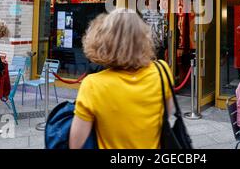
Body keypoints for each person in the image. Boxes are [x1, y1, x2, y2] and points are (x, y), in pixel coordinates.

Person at [69, 8, 174, 149]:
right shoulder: (162, 71)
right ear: (143, 38)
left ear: (105, 39)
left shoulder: (93, 85)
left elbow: (75, 144)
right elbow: (168, 112)